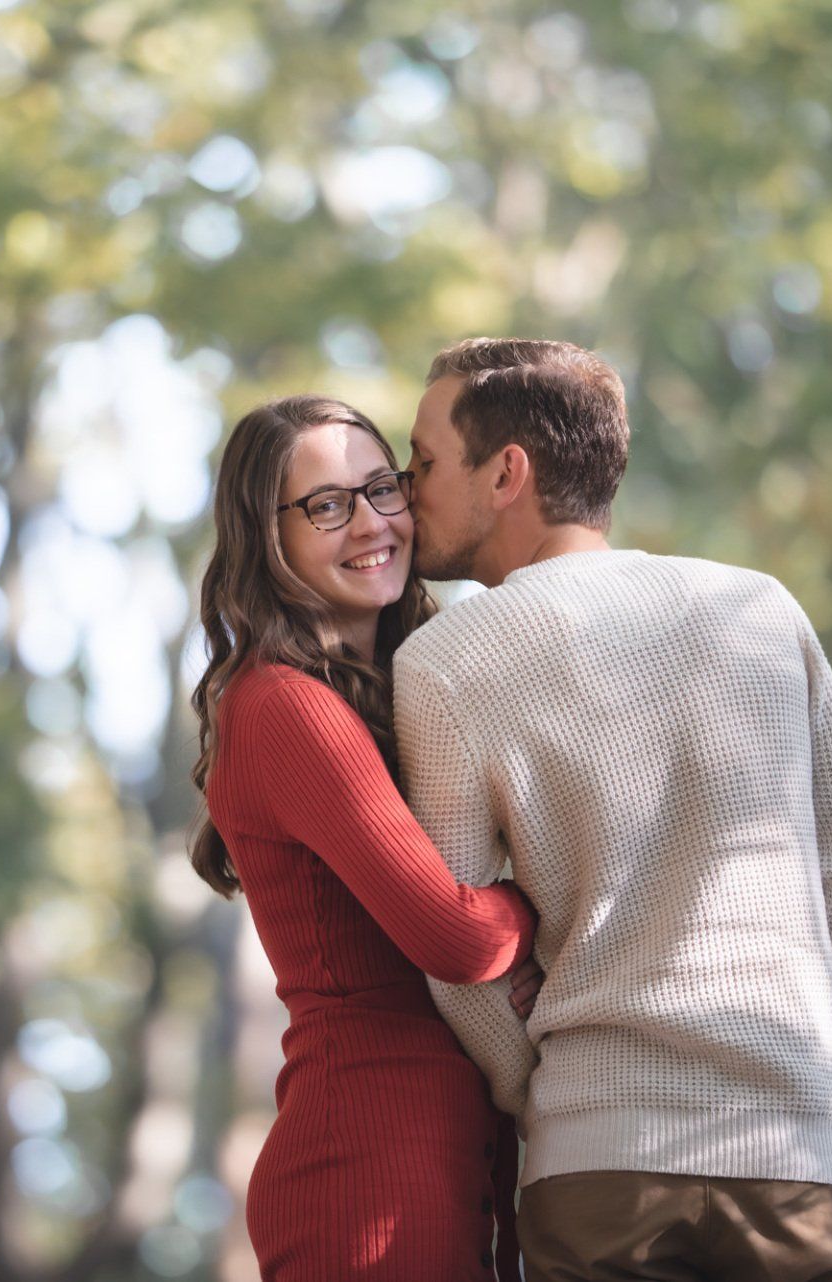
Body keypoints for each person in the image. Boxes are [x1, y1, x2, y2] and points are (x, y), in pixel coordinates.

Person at [393, 338, 832, 1281]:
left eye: (423, 460)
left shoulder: (442, 663)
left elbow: (455, 946)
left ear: (508, 471)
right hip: (801, 1161)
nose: (404, 485)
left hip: (597, 1169)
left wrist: (532, 1090)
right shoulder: (760, 609)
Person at [190, 394, 536, 1281]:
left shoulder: (400, 685)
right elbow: (455, 936)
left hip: (453, 1153)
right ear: (265, 537)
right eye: (326, 505)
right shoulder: (282, 705)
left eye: (382, 488)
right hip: (369, 1169)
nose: (373, 523)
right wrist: (548, 904)